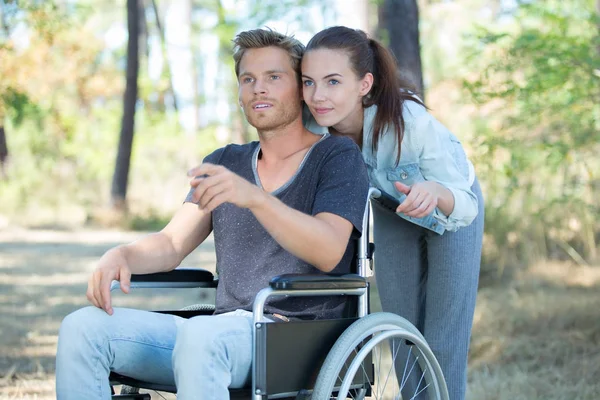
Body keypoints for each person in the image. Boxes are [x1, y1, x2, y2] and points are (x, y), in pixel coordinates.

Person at [55, 28, 369, 400]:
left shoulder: (336, 156)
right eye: (248, 79)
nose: (258, 88)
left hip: (294, 335)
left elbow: (330, 248)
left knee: (202, 337)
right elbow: (172, 242)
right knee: (83, 328)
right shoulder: (224, 162)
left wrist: (256, 198)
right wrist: (122, 254)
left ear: (300, 89)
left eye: (274, 77)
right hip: (219, 334)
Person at [301, 26, 484, 400]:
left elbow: (465, 205)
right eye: (308, 82)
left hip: (450, 208)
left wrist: (434, 193)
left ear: (364, 84)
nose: (317, 96)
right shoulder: (313, 128)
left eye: (333, 82)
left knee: (443, 339)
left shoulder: (409, 121)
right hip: (393, 208)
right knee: (400, 332)